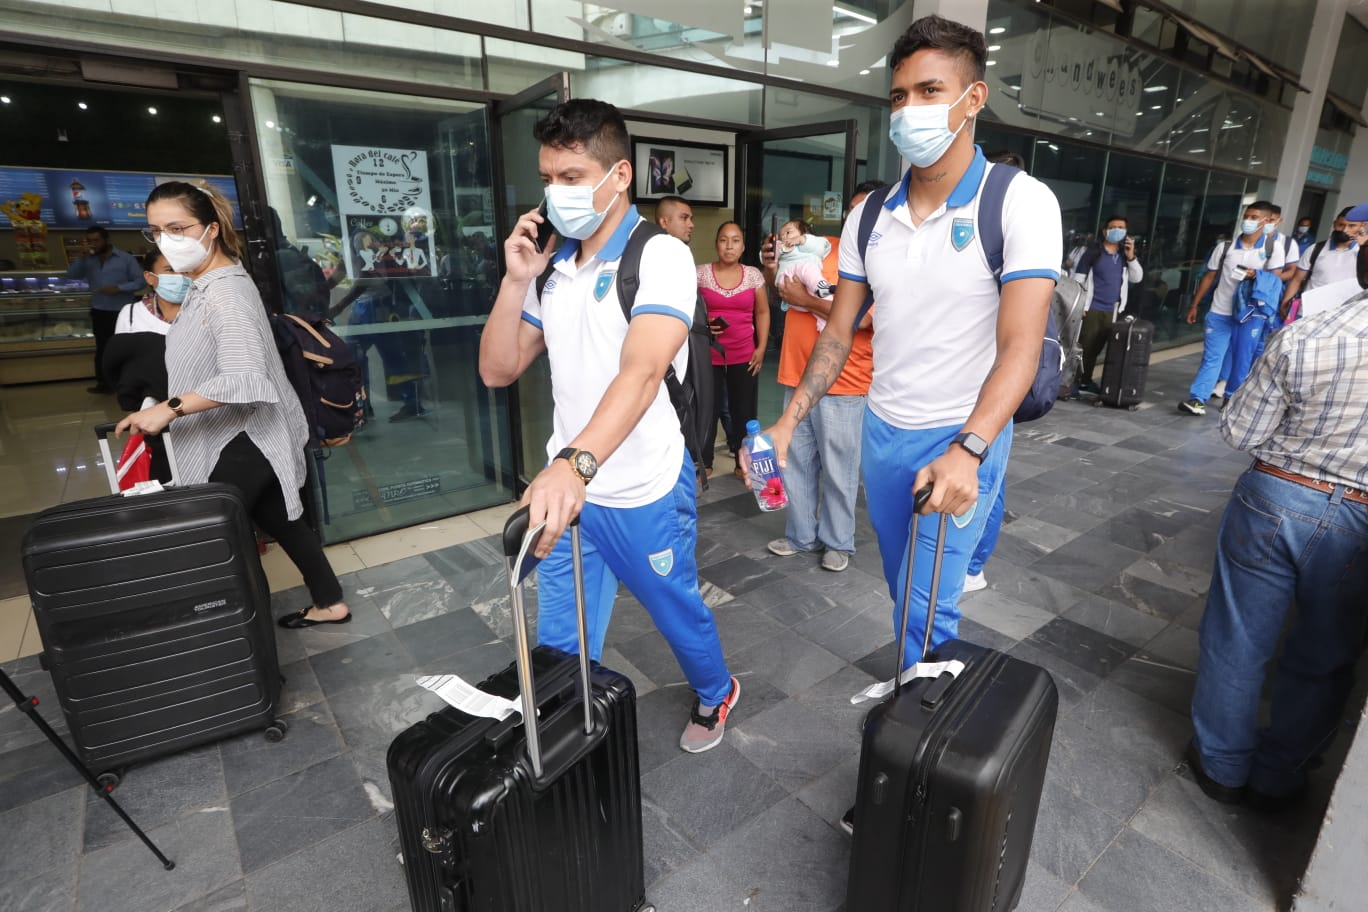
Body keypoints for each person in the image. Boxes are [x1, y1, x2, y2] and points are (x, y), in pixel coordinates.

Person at [764, 13, 1061, 682]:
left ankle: (921, 721)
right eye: (899, 97)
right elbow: (837, 332)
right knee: (903, 588)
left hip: (962, 432)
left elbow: (1021, 344)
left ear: (972, 99)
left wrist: (971, 448)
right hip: (883, 427)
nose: (909, 111)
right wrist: (789, 421)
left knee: (929, 604)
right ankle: (922, 692)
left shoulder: (1019, 203)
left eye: (929, 92)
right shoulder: (871, 215)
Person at [477, 99, 739, 754]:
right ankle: (567, 736)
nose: (556, 193)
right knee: (562, 639)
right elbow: (498, 370)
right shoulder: (555, 265)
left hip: (641, 483)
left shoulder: (663, 258)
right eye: (549, 179)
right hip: (573, 494)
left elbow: (644, 370)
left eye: (571, 177)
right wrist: (515, 284)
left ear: (619, 175)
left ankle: (717, 691)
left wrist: (573, 463)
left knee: (672, 607)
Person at [115, 180, 350, 629]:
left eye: (177, 227)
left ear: (211, 229)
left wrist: (169, 408)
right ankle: (329, 602)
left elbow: (245, 377)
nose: (166, 240)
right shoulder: (204, 287)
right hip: (242, 432)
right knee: (280, 520)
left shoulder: (225, 293)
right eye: (155, 231)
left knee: (218, 535)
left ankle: (242, 633)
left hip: (244, 434)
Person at [1186, 292, 1368, 812]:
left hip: (1277, 496)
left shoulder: (1307, 335)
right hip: (1361, 520)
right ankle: (1280, 778)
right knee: (1327, 654)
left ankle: (1221, 766)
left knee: (1236, 638)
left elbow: (1239, 430)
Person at [761, 183, 882, 574]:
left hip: (844, 382)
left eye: (863, 209)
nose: (853, 217)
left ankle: (837, 541)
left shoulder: (881, 262)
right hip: (795, 374)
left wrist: (807, 301)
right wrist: (770, 269)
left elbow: (863, 321)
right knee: (795, 462)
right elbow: (784, 284)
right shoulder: (822, 246)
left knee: (839, 466)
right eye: (851, 209)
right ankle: (801, 535)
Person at [1178, 200, 1286, 416]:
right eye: (1247, 216)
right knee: (1212, 356)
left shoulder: (1272, 248)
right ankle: (1198, 398)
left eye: (1254, 217)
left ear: (1266, 221)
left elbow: (1275, 281)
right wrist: (1194, 304)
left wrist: (1256, 275)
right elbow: (1210, 276)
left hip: (1250, 314)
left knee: (1242, 357)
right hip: (1220, 311)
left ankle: (1231, 398)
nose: (1248, 221)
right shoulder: (1225, 247)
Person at [102, 249, 184, 483]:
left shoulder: (202, 311)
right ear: (150, 277)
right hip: (151, 415)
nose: (179, 276)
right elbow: (124, 369)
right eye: (169, 270)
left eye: (184, 270)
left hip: (195, 407)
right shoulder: (130, 315)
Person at [697, 222, 768, 479]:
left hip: (744, 354)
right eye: (724, 240)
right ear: (716, 244)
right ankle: (704, 461)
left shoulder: (752, 275)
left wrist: (761, 348)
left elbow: (762, 312)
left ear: (743, 246)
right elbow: (688, 310)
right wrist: (702, 325)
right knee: (707, 409)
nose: (729, 246)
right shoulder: (700, 273)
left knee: (744, 409)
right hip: (708, 355)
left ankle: (743, 463)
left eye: (735, 240)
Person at [1070, 216, 1144, 391]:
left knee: (1097, 349)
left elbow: (1137, 277)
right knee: (1084, 347)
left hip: (1113, 310)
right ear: (1105, 231)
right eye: (1113, 227)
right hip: (1092, 308)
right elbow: (1078, 279)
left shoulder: (1124, 256)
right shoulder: (1093, 253)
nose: (1117, 230)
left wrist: (1131, 255)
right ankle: (1073, 382)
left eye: (1121, 227)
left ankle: (1085, 381)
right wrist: (1080, 305)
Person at [66, 225, 142, 393]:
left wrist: (119, 288)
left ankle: (128, 383)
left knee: (124, 348)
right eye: (89, 241)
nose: (93, 244)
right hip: (99, 311)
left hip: (122, 312)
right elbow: (71, 275)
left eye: (96, 240)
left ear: (106, 240)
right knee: (102, 349)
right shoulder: (87, 260)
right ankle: (104, 384)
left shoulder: (125, 259)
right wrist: (82, 256)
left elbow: (140, 281)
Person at [1280, 207, 1360, 320]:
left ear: (1361, 227)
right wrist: (1285, 302)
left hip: (1344, 316)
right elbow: (1297, 279)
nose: (1345, 230)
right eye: (1341, 225)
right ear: (1334, 224)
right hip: (1309, 312)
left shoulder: (1363, 253)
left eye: (1352, 226)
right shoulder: (1315, 249)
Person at [775, 220, 833, 329]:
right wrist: (777, 248)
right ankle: (822, 287)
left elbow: (820, 246)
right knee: (808, 268)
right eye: (781, 235)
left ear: (805, 233)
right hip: (788, 281)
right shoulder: (782, 247)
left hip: (808, 293)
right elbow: (767, 255)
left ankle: (823, 328)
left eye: (788, 232)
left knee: (822, 305)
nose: (784, 236)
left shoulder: (813, 244)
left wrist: (802, 240)